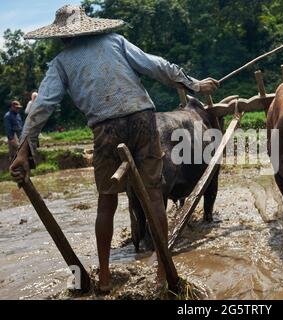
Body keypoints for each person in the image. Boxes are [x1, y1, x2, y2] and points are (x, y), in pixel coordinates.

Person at [10, 4, 219, 292]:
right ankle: (162, 271)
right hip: (144, 120)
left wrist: (24, 149)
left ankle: (105, 278)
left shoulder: (60, 63)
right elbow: (157, 65)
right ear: (89, 26)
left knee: (106, 202)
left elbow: (42, 106)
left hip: (107, 130)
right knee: (155, 196)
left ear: (61, 37)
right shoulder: (115, 42)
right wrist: (194, 85)